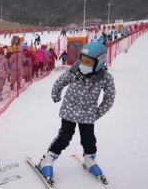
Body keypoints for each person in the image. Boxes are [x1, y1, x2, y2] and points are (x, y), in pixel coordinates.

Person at [37, 42, 116, 185]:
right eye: (82, 59)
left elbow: (110, 97)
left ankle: (89, 159)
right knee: (64, 137)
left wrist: (97, 113)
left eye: (88, 61)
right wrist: (56, 95)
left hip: (88, 114)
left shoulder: (105, 78)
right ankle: (47, 160)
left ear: (99, 62)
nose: (83, 63)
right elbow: (59, 83)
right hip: (70, 111)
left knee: (89, 139)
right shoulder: (74, 71)